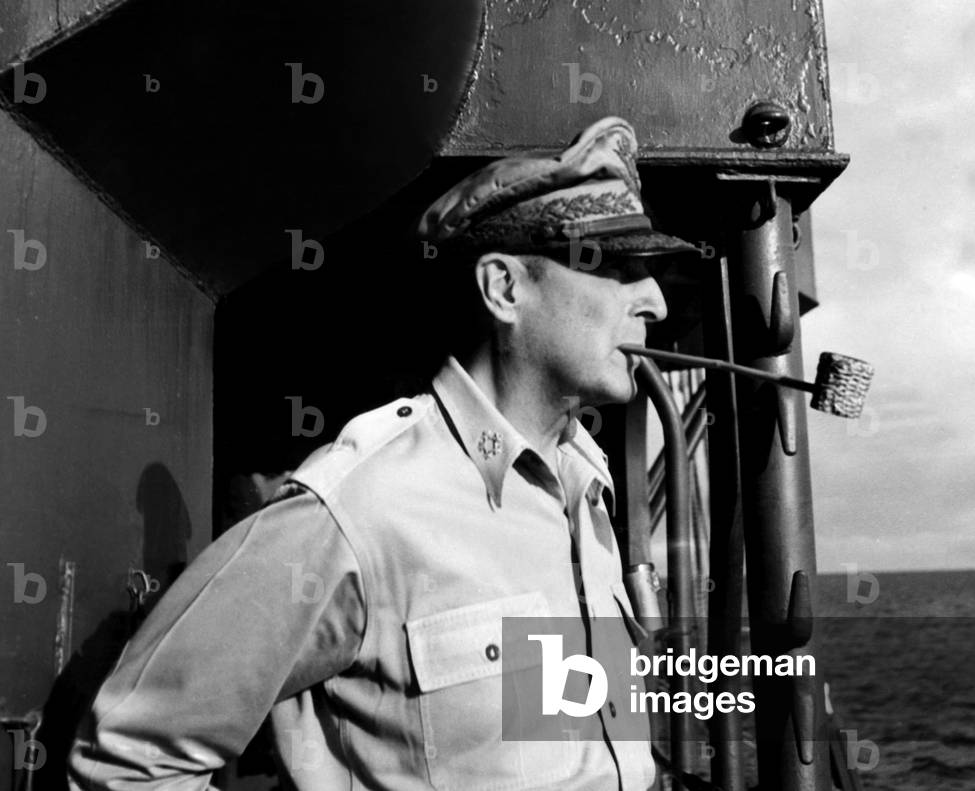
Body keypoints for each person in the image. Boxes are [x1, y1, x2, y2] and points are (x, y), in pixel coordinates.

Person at [67, 116, 697, 790]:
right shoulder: (363, 504)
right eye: (618, 268)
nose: (655, 299)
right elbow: (131, 757)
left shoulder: (584, 483)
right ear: (505, 289)